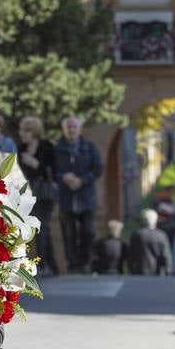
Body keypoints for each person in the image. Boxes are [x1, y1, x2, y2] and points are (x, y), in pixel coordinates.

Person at [54, 115, 103, 275]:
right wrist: (63, 177)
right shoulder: (58, 149)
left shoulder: (89, 147)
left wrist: (82, 180)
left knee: (88, 231)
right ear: (64, 130)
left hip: (86, 196)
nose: (71, 130)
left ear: (80, 129)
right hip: (67, 197)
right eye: (68, 127)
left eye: (74, 127)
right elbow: (52, 170)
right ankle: (73, 265)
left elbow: (98, 168)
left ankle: (86, 262)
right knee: (69, 233)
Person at [16, 115, 58, 277]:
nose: (23, 134)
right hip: (28, 193)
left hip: (45, 194)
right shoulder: (21, 148)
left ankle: (42, 264)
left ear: (34, 131)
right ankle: (51, 265)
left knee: (42, 226)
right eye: (22, 131)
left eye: (26, 131)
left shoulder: (47, 147)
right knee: (37, 228)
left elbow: (53, 171)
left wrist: (35, 163)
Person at [128, 208, 171, 275]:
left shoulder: (137, 235)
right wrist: (167, 271)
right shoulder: (161, 235)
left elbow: (131, 256)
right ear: (155, 220)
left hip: (140, 273)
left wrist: (132, 270)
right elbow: (166, 256)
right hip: (158, 273)